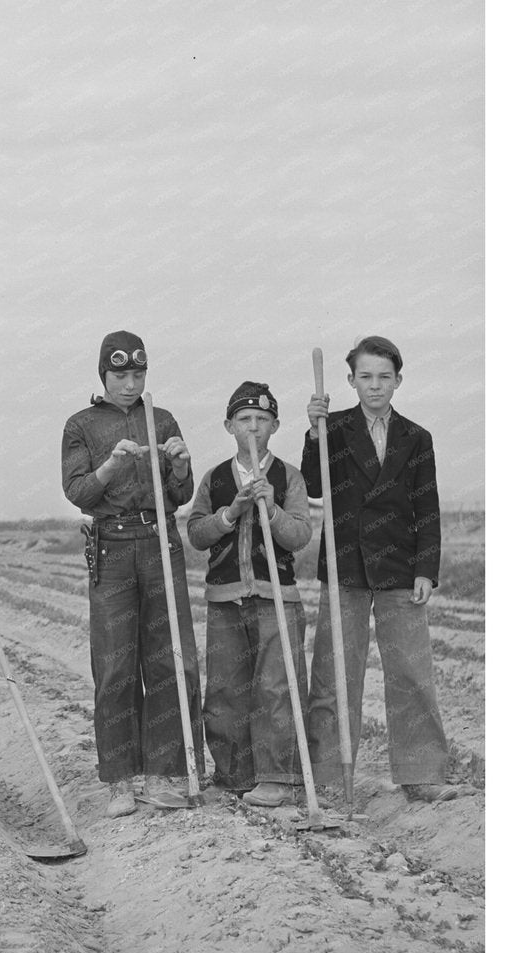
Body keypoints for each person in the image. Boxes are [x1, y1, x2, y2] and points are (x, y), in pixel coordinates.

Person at [301, 336, 459, 803]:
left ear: (398, 381)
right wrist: (314, 433)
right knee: (334, 675)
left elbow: (427, 508)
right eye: (365, 377)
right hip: (345, 565)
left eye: (384, 377)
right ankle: (329, 778)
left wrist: (425, 570)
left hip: (399, 567)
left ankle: (423, 775)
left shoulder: (417, 437)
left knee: (411, 671)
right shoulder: (331, 428)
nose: (375, 386)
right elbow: (312, 485)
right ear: (350, 380)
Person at [60, 330, 202, 818]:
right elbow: (78, 492)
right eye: (120, 374)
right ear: (103, 374)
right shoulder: (81, 424)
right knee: (116, 665)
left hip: (161, 540)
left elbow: (180, 495)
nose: (129, 383)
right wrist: (111, 467)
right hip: (112, 545)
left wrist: (181, 467)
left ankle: (167, 773)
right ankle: (120, 780)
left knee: (170, 658)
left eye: (137, 374)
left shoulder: (160, 419)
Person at [186, 383, 313, 808]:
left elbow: (298, 536)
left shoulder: (288, 476)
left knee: (277, 688)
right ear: (229, 426)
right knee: (225, 689)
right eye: (244, 420)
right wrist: (231, 512)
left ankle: (278, 777)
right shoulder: (216, 478)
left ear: (275, 426)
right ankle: (234, 775)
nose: (253, 428)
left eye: (262, 420)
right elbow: (197, 534)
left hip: (276, 598)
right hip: (224, 600)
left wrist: (272, 509)